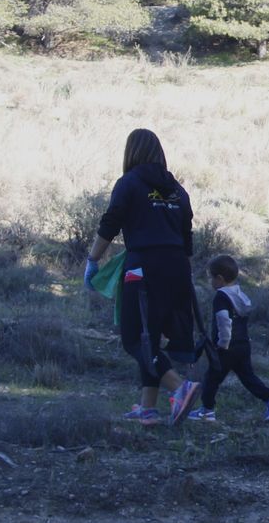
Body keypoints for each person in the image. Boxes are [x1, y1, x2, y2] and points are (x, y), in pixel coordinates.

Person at [84, 128, 202, 426]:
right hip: (178, 267)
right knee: (152, 336)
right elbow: (186, 234)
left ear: (132, 152)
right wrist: (179, 272)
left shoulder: (129, 183)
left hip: (143, 266)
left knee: (135, 337)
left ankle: (180, 389)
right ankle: (147, 408)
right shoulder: (178, 190)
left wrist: (93, 260)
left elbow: (110, 223)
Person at [192, 255, 269, 423]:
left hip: (226, 348)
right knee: (248, 377)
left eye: (211, 277)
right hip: (243, 345)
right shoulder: (239, 294)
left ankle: (206, 411)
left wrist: (222, 344)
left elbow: (224, 321)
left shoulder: (221, 297)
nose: (210, 281)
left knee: (211, 378)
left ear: (220, 278)